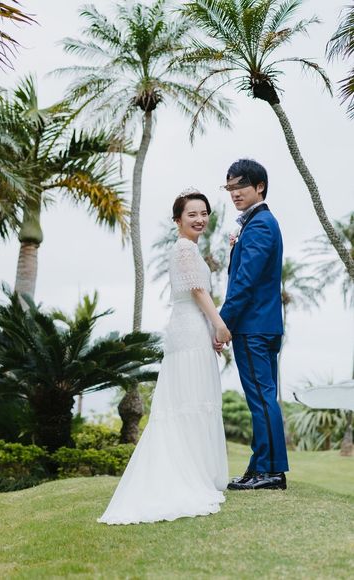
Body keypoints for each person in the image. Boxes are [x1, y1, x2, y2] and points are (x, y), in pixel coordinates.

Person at [98, 189, 231, 525]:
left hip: (193, 329)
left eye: (204, 213)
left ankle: (197, 472)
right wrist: (218, 324)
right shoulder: (184, 249)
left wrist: (210, 328)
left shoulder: (190, 249)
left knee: (195, 399)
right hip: (189, 331)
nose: (200, 219)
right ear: (178, 220)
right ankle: (187, 476)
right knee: (189, 401)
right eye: (192, 214)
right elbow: (198, 291)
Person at [216, 159, 289, 491]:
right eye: (230, 188)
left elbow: (244, 282)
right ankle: (259, 467)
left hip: (253, 326)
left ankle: (270, 471)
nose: (234, 193)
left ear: (260, 187)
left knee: (261, 399)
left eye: (240, 186)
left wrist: (222, 323)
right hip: (263, 325)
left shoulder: (260, 225)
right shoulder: (259, 223)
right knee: (263, 397)